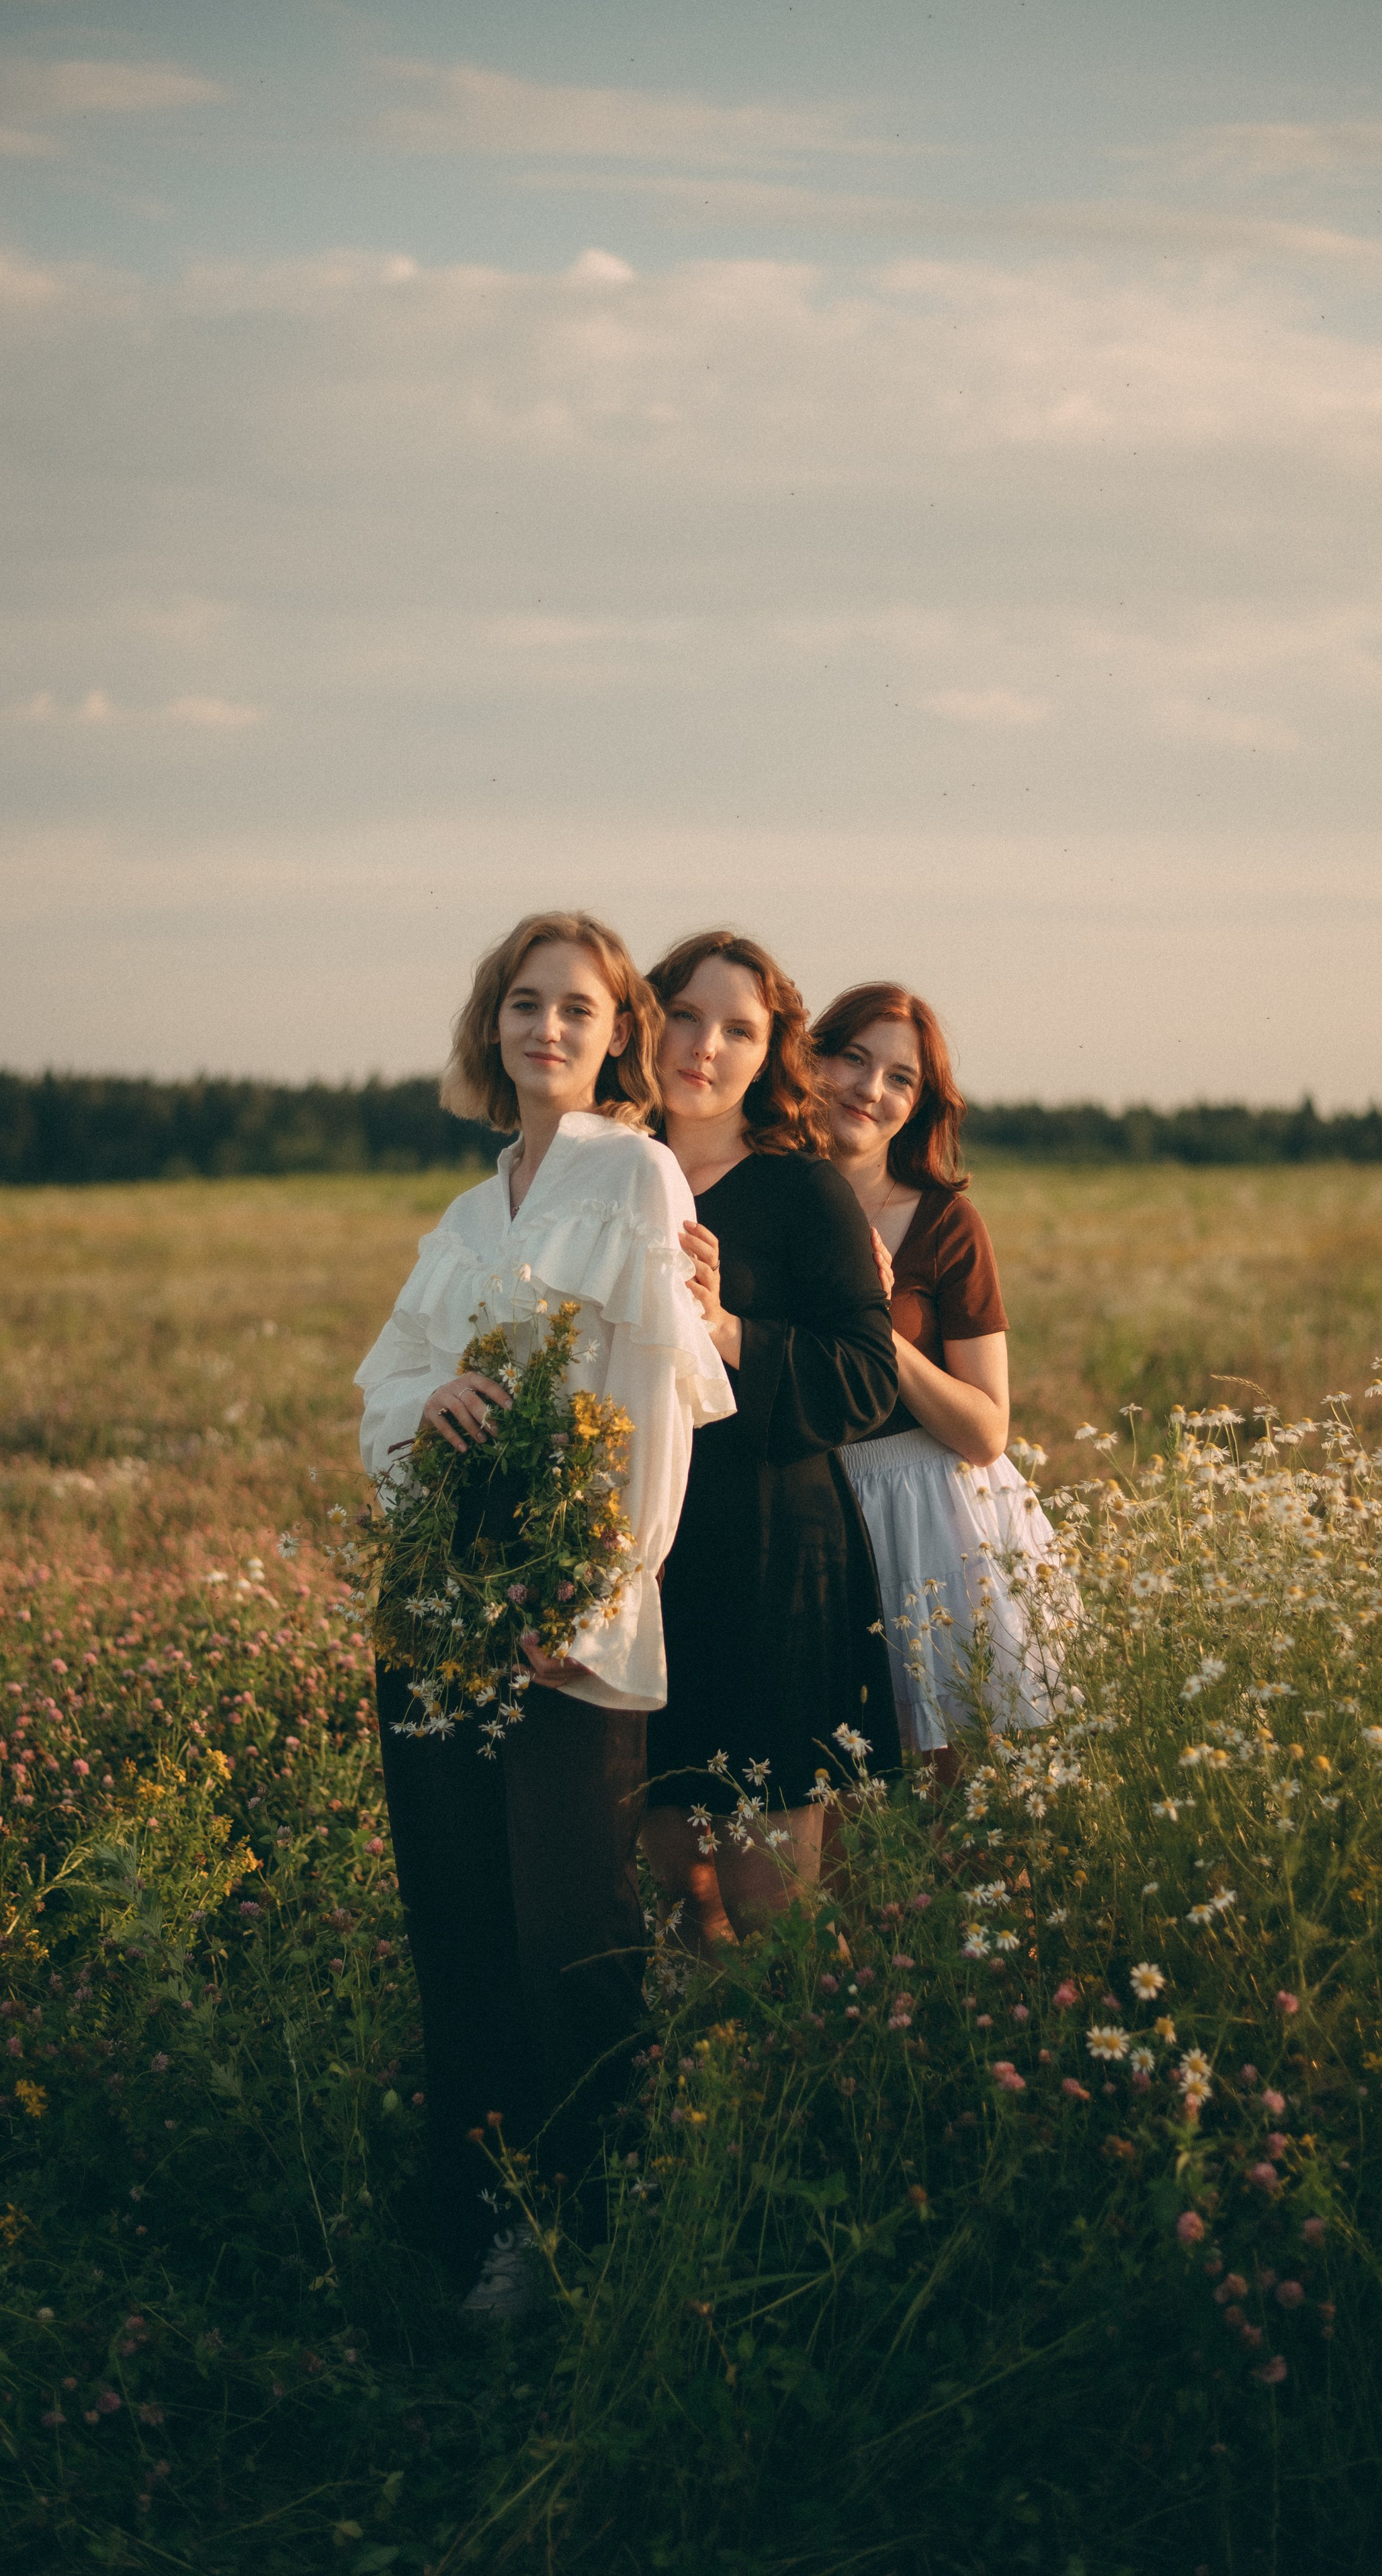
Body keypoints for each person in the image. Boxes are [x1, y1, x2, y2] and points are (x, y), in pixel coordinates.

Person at [355, 912, 734, 2314]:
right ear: (491, 1024)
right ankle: (464, 2208)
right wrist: (427, 1399)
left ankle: (569, 2231)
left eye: (579, 1008)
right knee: (455, 1927)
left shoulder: (636, 1179)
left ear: (618, 1031)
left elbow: (655, 1416)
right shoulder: (462, 1215)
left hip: (568, 1626)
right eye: (525, 1002)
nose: (548, 1028)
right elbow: (381, 1387)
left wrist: (583, 1596)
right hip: (439, 1612)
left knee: (567, 1942)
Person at [640, 932, 898, 1953]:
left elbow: (868, 1379)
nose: (705, 1046)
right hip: (646, 1570)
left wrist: (728, 1330)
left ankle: (820, 2098)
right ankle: (711, 2103)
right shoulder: (606, 1177)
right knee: (672, 1885)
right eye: (685, 1017)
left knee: (769, 1895)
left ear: (770, 1053)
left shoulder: (802, 1191)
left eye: (738, 1028)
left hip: (773, 1567)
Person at [810, 982, 1062, 1760]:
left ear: (919, 1105)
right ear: (807, 1060)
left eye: (899, 1078)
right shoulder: (756, 1198)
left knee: (959, 1808)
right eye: (852, 1058)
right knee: (836, 1797)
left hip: (931, 1517)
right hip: (809, 1517)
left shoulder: (946, 1224)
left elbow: (985, 1431)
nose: (869, 1089)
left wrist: (877, 1326)